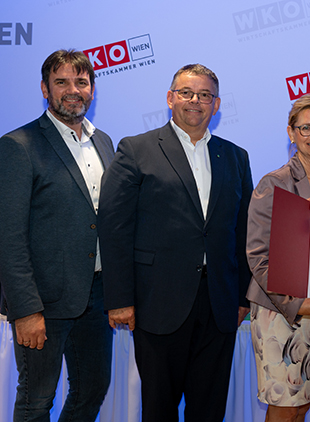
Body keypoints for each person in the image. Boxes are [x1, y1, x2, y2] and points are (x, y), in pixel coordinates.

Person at [98, 64, 254, 422]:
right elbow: (114, 227)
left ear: (217, 104)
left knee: (209, 410)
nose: (195, 101)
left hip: (219, 305)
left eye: (205, 95)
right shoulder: (136, 149)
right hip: (158, 303)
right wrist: (119, 299)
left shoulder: (235, 156)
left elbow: (243, 229)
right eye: (186, 93)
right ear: (170, 98)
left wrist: (243, 296)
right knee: (159, 409)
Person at [0, 49, 114, 422]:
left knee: (92, 390)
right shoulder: (18, 145)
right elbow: (9, 238)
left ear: (92, 89)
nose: (73, 90)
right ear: (44, 89)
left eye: (81, 82)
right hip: (43, 303)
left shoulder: (104, 142)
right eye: (61, 82)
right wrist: (25, 310)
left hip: (96, 296)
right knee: (36, 401)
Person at [245, 93, 310, 421]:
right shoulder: (274, 183)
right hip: (280, 311)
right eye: (306, 128)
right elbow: (257, 255)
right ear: (291, 132)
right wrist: (295, 304)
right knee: (284, 406)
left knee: (302, 404)